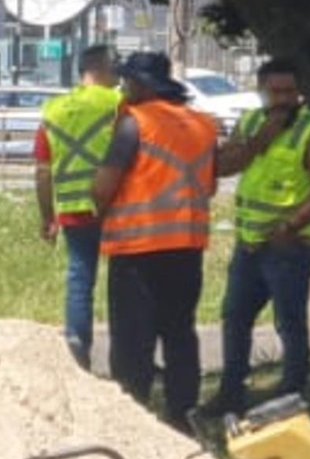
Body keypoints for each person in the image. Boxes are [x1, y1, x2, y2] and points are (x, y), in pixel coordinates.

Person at [94, 52, 219, 430]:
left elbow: (104, 186)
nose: (123, 87)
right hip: (187, 247)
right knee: (180, 334)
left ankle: (133, 420)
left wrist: (99, 212)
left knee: (133, 341)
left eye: (127, 81)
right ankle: (183, 416)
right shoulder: (203, 125)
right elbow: (210, 182)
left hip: (138, 248)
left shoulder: (135, 123)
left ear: (143, 85)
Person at [214, 56, 310, 415]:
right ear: (261, 91)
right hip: (249, 243)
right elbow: (222, 166)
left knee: (289, 323)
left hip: (289, 245)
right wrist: (259, 140)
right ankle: (231, 394)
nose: (284, 100)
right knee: (235, 317)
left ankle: (292, 395)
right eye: (276, 92)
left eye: (290, 91)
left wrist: (291, 225)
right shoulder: (251, 122)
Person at [35, 46, 124, 369]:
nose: (119, 76)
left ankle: (77, 349)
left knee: (80, 279)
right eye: (116, 68)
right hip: (116, 205)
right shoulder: (118, 103)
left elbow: (43, 171)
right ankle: (127, 355)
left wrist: (47, 216)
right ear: (102, 69)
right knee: (124, 281)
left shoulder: (53, 110)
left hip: (73, 208)